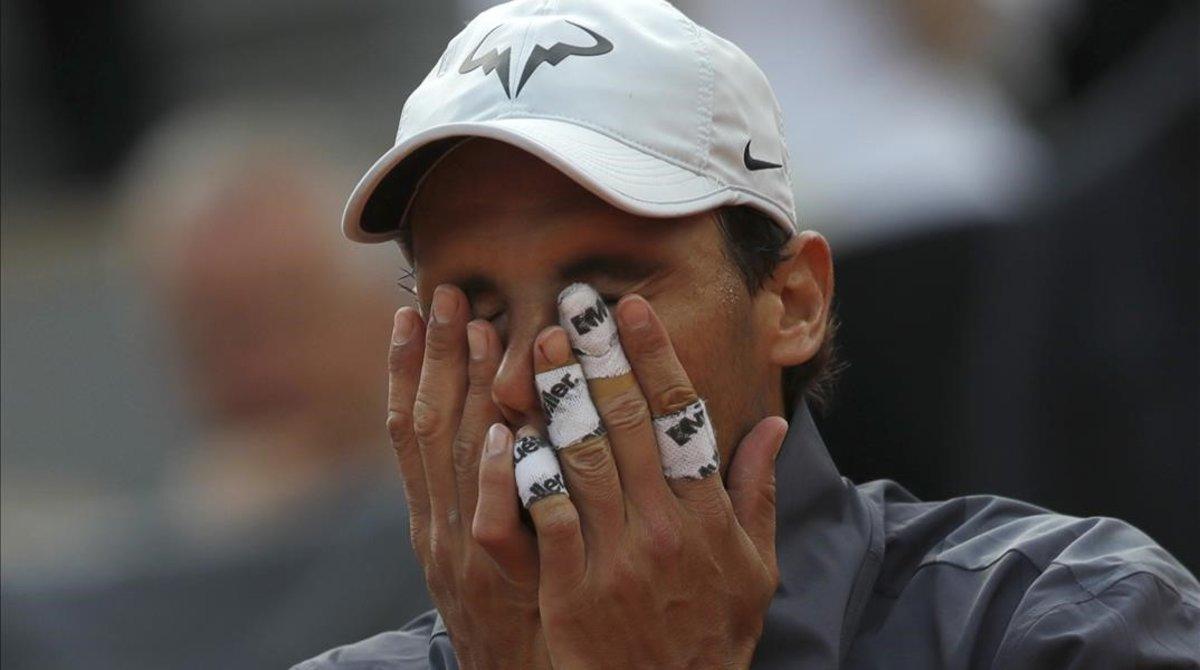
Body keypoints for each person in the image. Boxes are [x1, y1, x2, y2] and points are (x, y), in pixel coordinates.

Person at [297, 1, 1199, 667]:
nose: (529, 378)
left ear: (794, 301)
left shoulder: (1064, 624)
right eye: (477, 311)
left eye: (598, 297)